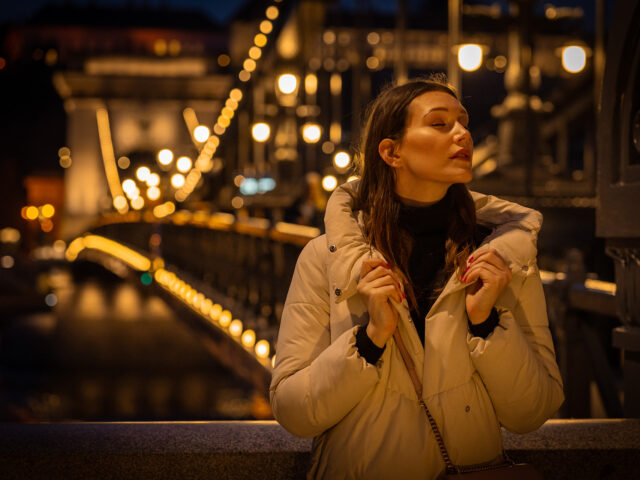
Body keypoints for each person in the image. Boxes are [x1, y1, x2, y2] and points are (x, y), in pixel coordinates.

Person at [269, 76, 564, 480]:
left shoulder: (504, 256)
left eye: (463, 122)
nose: (463, 133)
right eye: (440, 124)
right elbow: (293, 412)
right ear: (391, 152)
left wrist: (488, 324)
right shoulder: (325, 260)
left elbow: (532, 412)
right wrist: (368, 341)